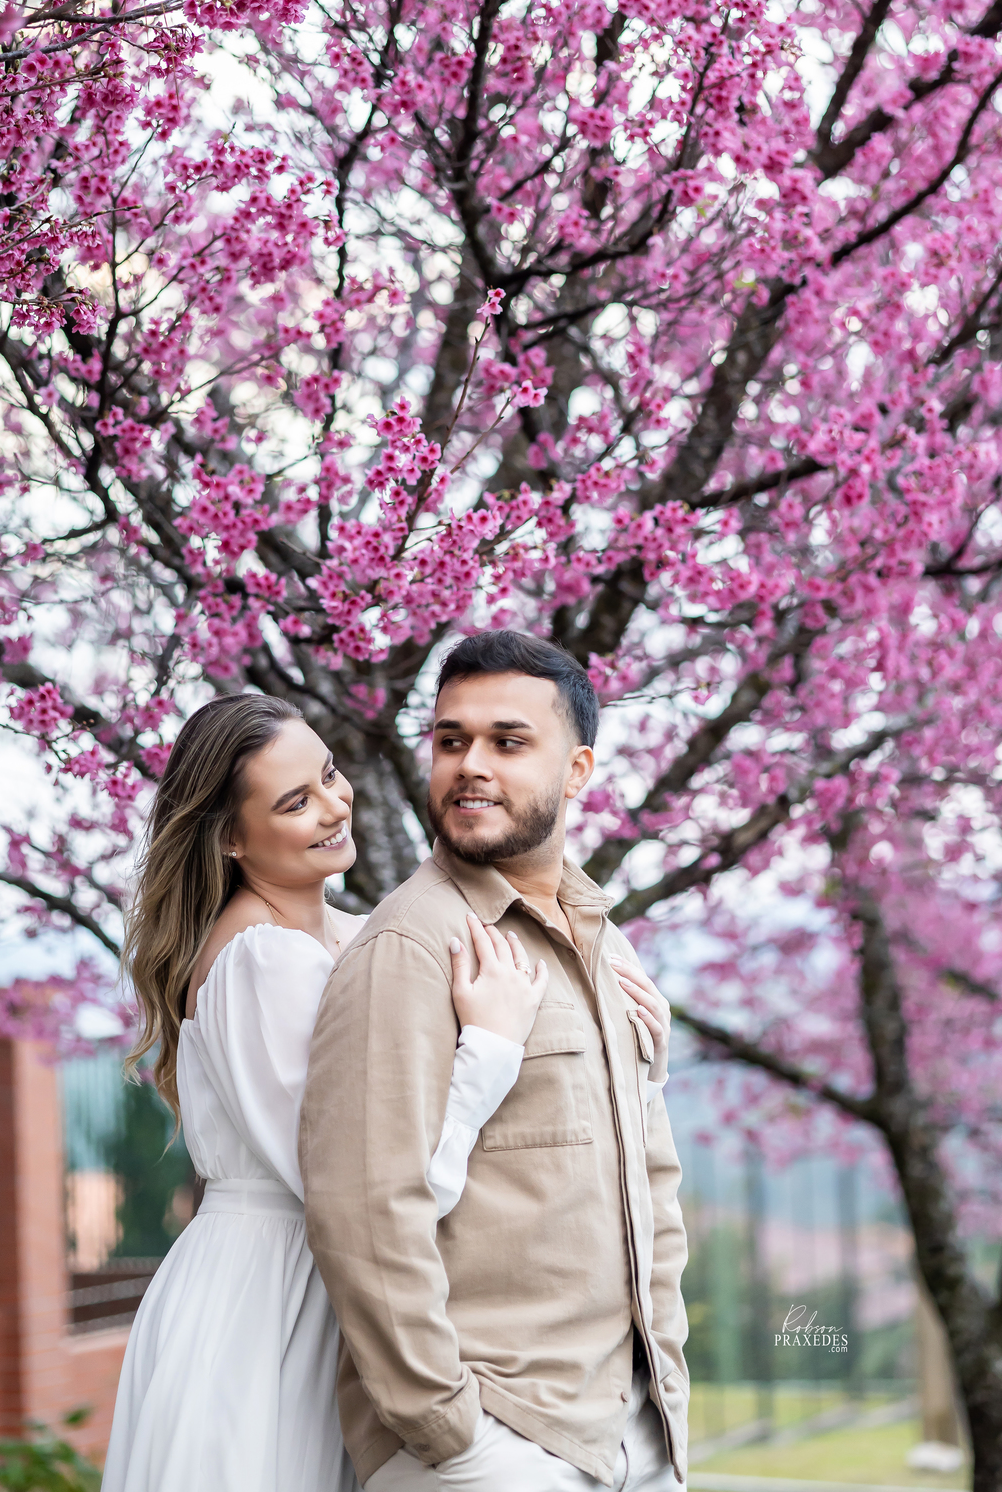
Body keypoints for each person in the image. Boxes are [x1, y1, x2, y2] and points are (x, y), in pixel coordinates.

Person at [101, 691, 549, 1492]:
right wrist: (489, 1051)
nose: (334, 805)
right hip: (268, 1300)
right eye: (295, 801)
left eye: (330, 775)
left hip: (329, 1288)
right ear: (232, 837)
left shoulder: (350, 932)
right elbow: (350, 1185)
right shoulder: (260, 961)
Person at [300, 631, 688, 1492]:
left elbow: (649, 1180)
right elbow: (364, 1209)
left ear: (577, 769)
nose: (470, 764)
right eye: (450, 741)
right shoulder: (410, 945)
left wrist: (666, 1409)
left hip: (628, 1434)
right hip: (498, 1443)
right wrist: (450, 1432)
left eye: (508, 742)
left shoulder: (602, 938)